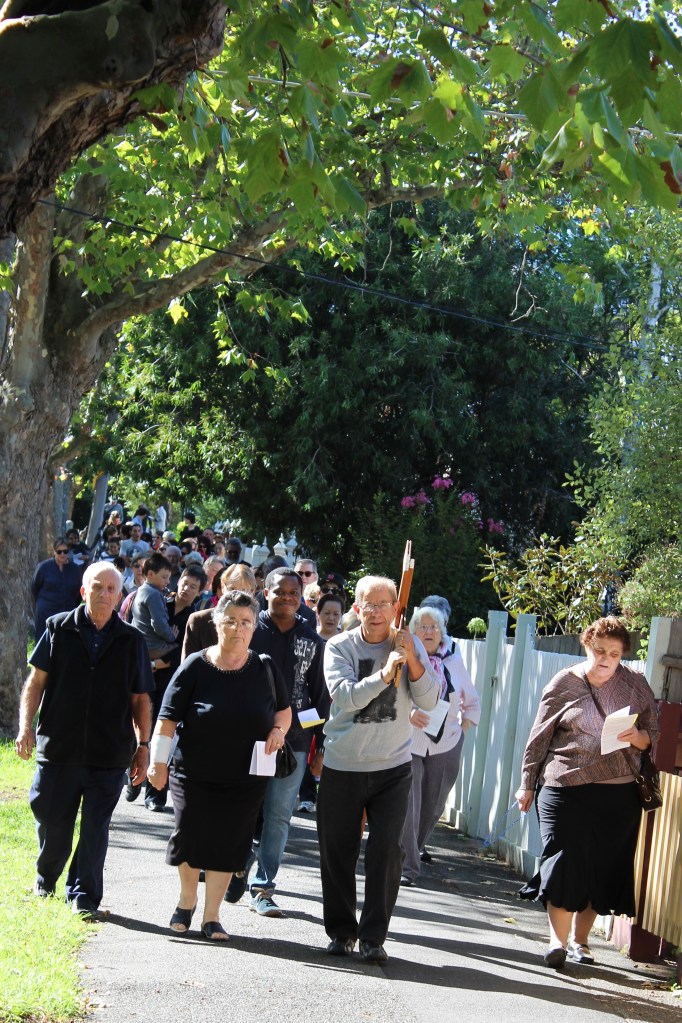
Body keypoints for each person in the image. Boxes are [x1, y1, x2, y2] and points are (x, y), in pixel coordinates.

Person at [146, 591, 292, 941]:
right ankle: (187, 899)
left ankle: (212, 916)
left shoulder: (265, 667)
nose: (238, 629)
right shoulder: (196, 664)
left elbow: (284, 712)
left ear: (254, 627)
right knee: (189, 834)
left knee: (230, 842)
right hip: (193, 772)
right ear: (216, 623)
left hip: (245, 777)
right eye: (230, 621)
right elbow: (166, 720)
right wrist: (157, 763)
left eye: (245, 622)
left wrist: (278, 730)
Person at [515, 616, 658, 969]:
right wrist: (526, 784)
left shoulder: (635, 684)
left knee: (603, 868)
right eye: (599, 650)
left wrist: (638, 738)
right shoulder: (564, 683)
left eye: (614, 652)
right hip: (566, 787)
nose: (606, 658)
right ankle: (557, 942)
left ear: (623, 654)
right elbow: (539, 738)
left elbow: (652, 729)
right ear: (586, 646)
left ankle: (581, 942)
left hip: (618, 794)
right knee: (564, 860)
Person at [15, 563, 153, 916]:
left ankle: (83, 896)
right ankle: (47, 874)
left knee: (95, 828)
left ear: (119, 595)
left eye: (111, 588)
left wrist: (143, 746)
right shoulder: (58, 628)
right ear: (83, 591)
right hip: (59, 746)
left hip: (108, 752)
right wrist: (25, 726)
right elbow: (36, 682)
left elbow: (140, 698)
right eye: (97, 587)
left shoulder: (132, 640)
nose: (104, 594)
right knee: (50, 817)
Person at [317, 575, 439, 962]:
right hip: (344, 763)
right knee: (338, 850)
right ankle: (341, 933)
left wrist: (412, 657)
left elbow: (431, 700)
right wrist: (385, 673)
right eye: (368, 604)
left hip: (393, 766)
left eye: (384, 604)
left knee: (387, 852)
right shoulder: (339, 646)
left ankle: (373, 938)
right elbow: (345, 696)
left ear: (396, 609)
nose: (376, 612)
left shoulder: (408, 644)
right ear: (357, 608)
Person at [232, 568, 328, 917]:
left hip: (294, 747)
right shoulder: (248, 631)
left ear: (301, 597)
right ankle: (236, 866)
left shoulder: (314, 642)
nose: (287, 598)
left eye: (293, 593)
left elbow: (323, 704)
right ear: (265, 593)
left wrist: (305, 737)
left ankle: (263, 887)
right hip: (247, 739)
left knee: (277, 816)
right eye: (279, 592)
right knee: (243, 806)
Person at [399, 605, 480, 886]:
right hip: (408, 740)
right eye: (423, 627)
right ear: (414, 631)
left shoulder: (453, 659)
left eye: (434, 627)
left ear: (442, 632)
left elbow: (471, 699)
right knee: (409, 804)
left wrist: (462, 729)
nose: (429, 632)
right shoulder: (405, 654)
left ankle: (415, 848)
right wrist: (408, 713)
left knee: (433, 807)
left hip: (446, 742)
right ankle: (407, 866)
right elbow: (392, 695)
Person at [31, 538, 84, 640]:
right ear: (54, 551)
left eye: (65, 551)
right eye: (59, 552)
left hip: (66, 612)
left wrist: (71, 604)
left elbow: (79, 591)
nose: (62, 554)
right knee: (43, 641)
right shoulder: (43, 567)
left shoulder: (75, 570)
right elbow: (34, 587)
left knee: (64, 643)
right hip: (45, 611)